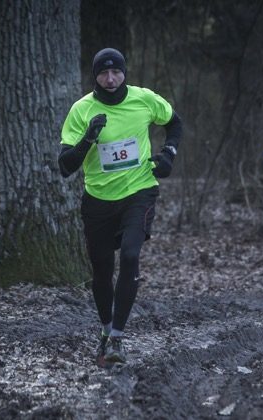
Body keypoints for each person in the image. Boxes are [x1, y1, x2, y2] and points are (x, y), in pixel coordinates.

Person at [58, 48, 182, 364]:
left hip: (138, 192)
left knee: (129, 256)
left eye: (116, 72)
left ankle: (116, 339)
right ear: (95, 75)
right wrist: (88, 138)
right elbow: (65, 166)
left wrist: (168, 154)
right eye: (103, 73)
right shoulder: (81, 110)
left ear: (125, 72)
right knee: (102, 271)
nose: (110, 79)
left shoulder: (144, 99)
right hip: (97, 200)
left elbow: (175, 123)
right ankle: (106, 329)